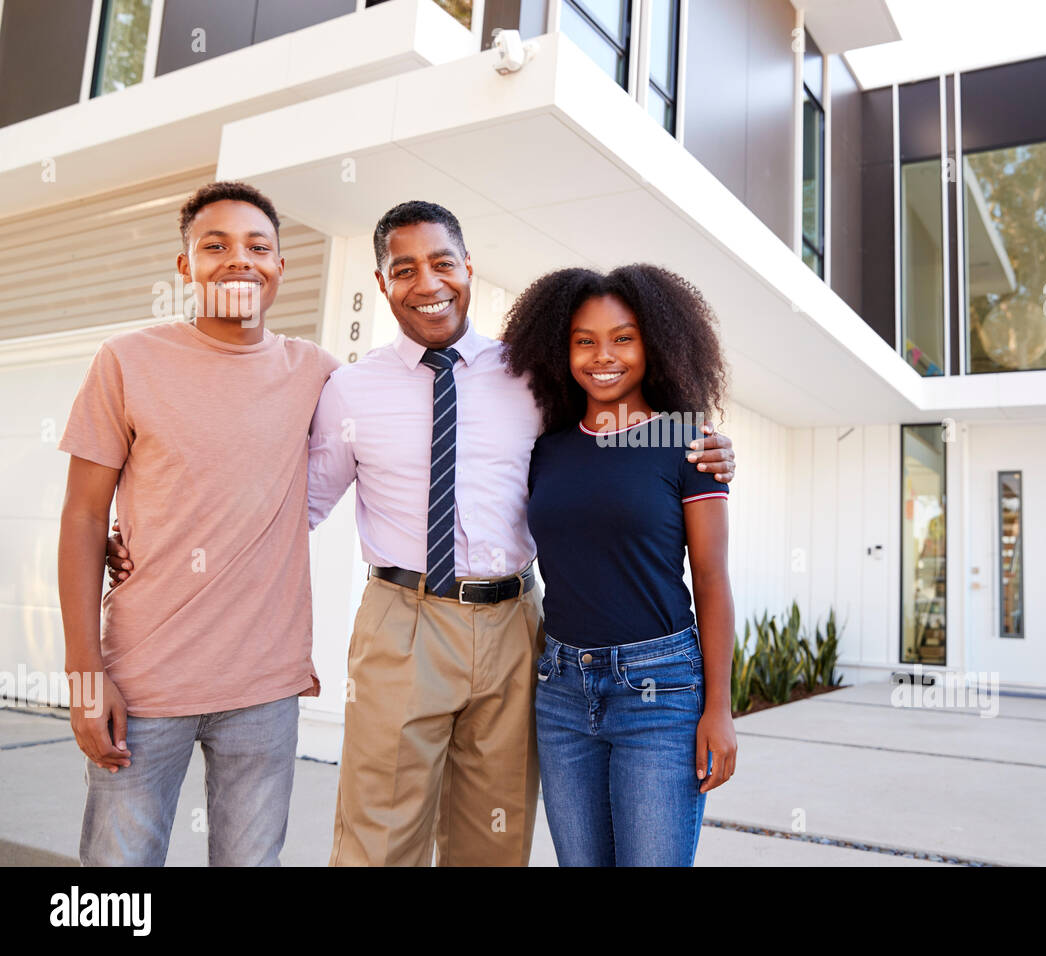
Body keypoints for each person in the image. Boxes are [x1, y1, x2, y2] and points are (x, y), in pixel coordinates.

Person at [109, 200, 738, 866]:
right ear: (382, 284)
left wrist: (703, 442)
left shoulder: (532, 377)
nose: (427, 283)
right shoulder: (349, 389)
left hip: (518, 632)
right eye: (403, 269)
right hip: (400, 625)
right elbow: (290, 509)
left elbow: (612, 432)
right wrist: (151, 536)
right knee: (378, 839)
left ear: (468, 268)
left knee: (492, 840)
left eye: (442, 263)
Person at [59, 182, 340, 866]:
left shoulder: (317, 373)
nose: (237, 260)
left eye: (257, 246)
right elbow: (85, 517)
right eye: (214, 246)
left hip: (265, 690)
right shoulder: (126, 360)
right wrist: (85, 677)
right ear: (184, 267)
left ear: (280, 266)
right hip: (145, 681)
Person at [501, 265, 738, 866]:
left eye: (623, 338)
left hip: (661, 691)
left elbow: (712, 581)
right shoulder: (546, 448)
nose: (602, 356)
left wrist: (720, 709)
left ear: (654, 342)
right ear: (562, 348)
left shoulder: (689, 442)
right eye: (585, 340)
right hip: (560, 689)